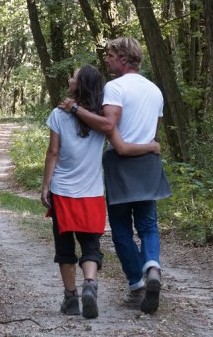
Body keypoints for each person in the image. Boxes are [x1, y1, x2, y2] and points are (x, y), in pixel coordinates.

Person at [61, 37, 172, 314]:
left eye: (110, 55)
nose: (107, 60)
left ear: (123, 57)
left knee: (122, 230)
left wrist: (75, 108)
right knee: (148, 225)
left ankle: (137, 286)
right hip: (148, 163)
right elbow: (154, 136)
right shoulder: (156, 91)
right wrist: (149, 147)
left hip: (121, 164)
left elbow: (110, 126)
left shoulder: (115, 88)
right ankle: (153, 268)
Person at [41, 64, 160, 319]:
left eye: (73, 76)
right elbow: (120, 140)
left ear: (79, 84)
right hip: (92, 193)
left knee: (64, 247)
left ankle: (71, 298)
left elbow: (53, 152)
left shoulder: (59, 114)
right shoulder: (100, 122)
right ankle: (90, 285)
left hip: (62, 191)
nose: (70, 78)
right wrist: (150, 146)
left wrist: (46, 184)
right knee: (90, 245)